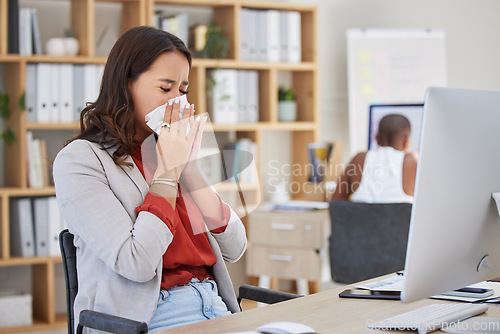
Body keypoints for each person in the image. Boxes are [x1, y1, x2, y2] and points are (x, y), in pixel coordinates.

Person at [53, 26, 247, 333]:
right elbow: (137, 262)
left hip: (215, 304)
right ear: (125, 84)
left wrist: (190, 169)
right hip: (152, 315)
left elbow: (235, 247)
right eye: (165, 88)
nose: (177, 103)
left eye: (182, 91)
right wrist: (168, 173)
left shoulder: (170, 151)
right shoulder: (81, 161)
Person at [331, 114, 418, 203]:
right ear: (406, 141)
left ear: (376, 138)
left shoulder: (359, 158)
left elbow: (336, 203)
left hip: (361, 216)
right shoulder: (410, 160)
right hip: (400, 216)